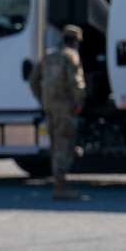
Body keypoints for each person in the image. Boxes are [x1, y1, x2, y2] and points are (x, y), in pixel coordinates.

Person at [29, 24, 88, 201]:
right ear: (76, 41)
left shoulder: (48, 55)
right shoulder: (70, 56)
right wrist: (79, 102)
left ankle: (58, 182)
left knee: (55, 144)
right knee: (64, 144)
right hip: (64, 107)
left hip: (50, 106)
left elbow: (33, 80)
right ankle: (61, 187)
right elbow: (76, 82)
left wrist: (43, 99)